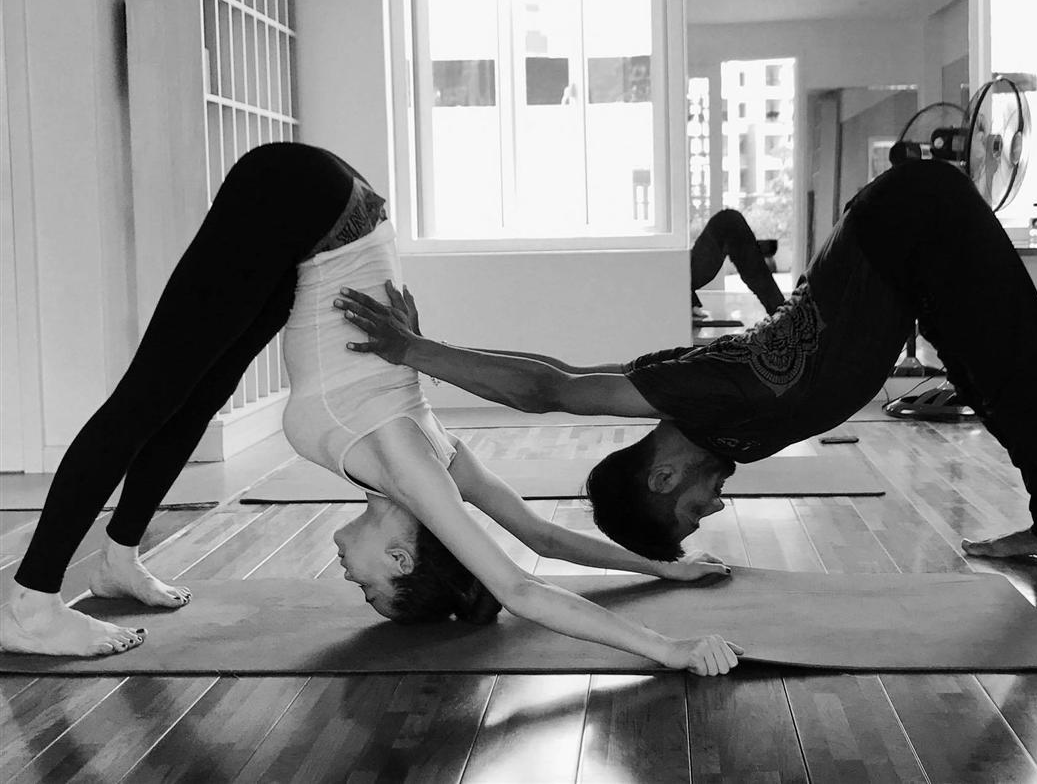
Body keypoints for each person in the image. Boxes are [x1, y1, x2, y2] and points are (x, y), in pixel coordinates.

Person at [338, 159, 1037, 689]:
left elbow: (550, 386)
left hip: (914, 224)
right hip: (909, 252)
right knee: (1004, 394)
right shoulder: (710, 417)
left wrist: (415, 348)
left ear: (661, 475)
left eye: (690, 511)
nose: (713, 508)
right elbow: (558, 385)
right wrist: (660, 571)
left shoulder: (699, 398)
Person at [0, 143, 742, 677]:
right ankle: (31, 602)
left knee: (191, 401)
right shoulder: (411, 463)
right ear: (401, 558)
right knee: (145, 401)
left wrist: (662, 569)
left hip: (323, 216)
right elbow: (520, 585)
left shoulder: (444, 461)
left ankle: (119, 558)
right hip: (300, 199)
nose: (350, 577)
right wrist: (667, 649)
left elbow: (542, 535)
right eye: (369, 586)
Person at [690, 208, 785, 322]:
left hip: (680, 273)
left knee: (728, 220)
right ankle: (783, 315)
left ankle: (782, 313)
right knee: (729, 221)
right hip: (680, 276)